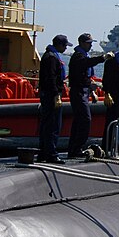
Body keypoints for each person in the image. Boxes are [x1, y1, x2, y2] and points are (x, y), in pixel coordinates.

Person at [67, 33, 111, 158]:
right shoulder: (78, 57)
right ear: (81, 43)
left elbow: (84, 75)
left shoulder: (82, 56)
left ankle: (74, 149)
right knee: (85, 120)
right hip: (78, 92)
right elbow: (87, 63)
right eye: (88, 43)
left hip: (84, 91)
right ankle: (77, 148)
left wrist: (91, 91)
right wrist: (103, 58)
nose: (91, 45)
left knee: (79, 121)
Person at [38, 34, 72, 164]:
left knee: (47, 124)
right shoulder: (52, 58)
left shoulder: (48, 55)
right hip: (51, 95)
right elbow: (51, 78)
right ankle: (51, 154)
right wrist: (57, 94)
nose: (65, 49)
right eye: (64, 46)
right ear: (59, 45)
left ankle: (43, 152)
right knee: (53, 125)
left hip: (48, 94)